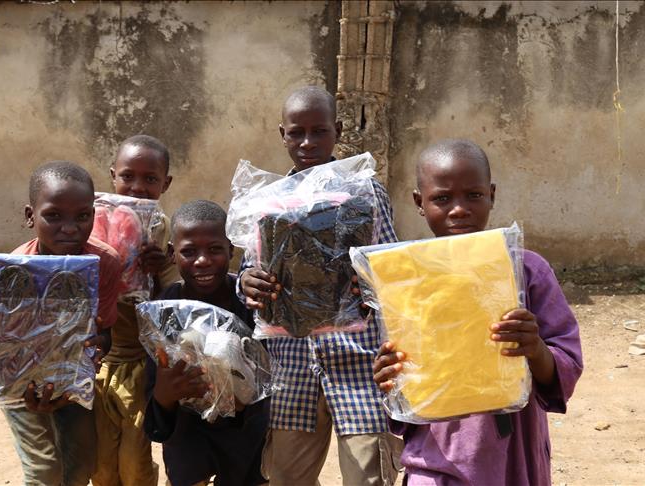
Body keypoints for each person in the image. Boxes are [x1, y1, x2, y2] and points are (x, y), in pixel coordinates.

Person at [373, 139, 584, 484]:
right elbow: (402, 387)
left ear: (492, 195)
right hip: (435, 458)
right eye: (442, 198)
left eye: (473, 195)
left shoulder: (526, 270)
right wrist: (389, 376)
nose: (459, 210)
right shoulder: (404, 277)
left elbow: (565, 365)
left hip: (512, 455)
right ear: (419, 202)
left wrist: (535, 348)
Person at [239, 86, 401, 486]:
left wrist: (370, 282)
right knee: (286, 478)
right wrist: (247, 283)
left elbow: (389, 269)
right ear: (283, 134)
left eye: (319, 131)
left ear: (338, 131)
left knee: (368, 478)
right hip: (292, 366)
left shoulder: (365, 191)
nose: (307, 142)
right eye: (297, 132)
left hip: (360, 363)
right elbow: (249, 270)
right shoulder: (267, 201)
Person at [0, 160, 121, 485]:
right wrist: (25, 389)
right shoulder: (14, 272)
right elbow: (1, 349)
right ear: (30, 216)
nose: (69, 228)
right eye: (53, 215)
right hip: (20, 384)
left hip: (72, 380)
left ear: (93, 215)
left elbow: (105, 334)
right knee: (44, 470)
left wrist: (96, 349)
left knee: (81, 464)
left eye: (82, 216)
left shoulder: (105, 264)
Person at [144, 200, 269, 486]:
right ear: (172, 254)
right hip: (188, 442)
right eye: (189, 251)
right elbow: (155, 398)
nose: (203, 260)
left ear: (231, 250)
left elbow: (267, 378)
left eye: (214, 249)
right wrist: (165, 395)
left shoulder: (250, 303)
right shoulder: (163, 311)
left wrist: (241, 396)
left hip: (247, 443)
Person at [92, 135, 180, 486]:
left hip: (140, 363)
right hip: (96, 359)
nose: (137, 187)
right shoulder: (92, 222)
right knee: (100, 463)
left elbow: (170, 303)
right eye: (127, 176)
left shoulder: (161, 230)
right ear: (112, 175)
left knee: (134, 459)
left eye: (150, 179)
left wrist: (157, 270)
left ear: (165, 184)